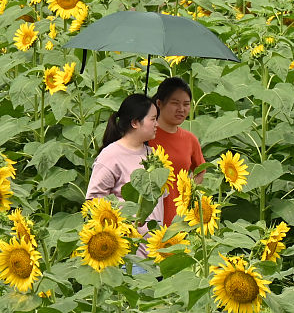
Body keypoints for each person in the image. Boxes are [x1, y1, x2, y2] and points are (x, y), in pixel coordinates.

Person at [86, 92, 163, 227]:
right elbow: (94, 200)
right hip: (126, 242)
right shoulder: (111, 155)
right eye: (153, 119)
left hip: (154, 244)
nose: (157, 124)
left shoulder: (153, 156)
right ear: (135, 122)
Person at [148, 77, 205, 226]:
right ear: (159, 104)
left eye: (186, 104)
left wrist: (188, 192)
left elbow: (201, 169)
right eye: (175, 103)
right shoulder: (145, 136)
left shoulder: (190, 139)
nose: (181, 109)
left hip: (179, 220)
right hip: (148, 218)